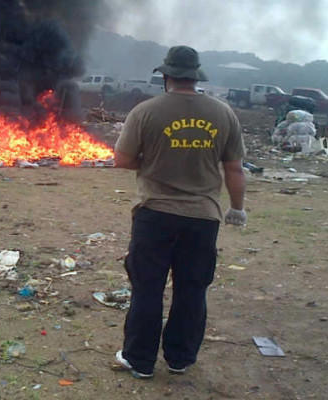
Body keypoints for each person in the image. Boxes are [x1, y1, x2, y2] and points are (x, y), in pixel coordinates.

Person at [112, 45, 247, 379]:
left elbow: (122, 160)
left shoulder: (145, 111)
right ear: (196, 76)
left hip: (155, 214)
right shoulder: (223, 113)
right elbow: (234, 168)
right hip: (203, 218)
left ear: (166, 76)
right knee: (191, 289)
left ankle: (140, 361)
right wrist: (238, 208)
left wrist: (155, 162)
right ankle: (180, 359)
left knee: (147, 287)